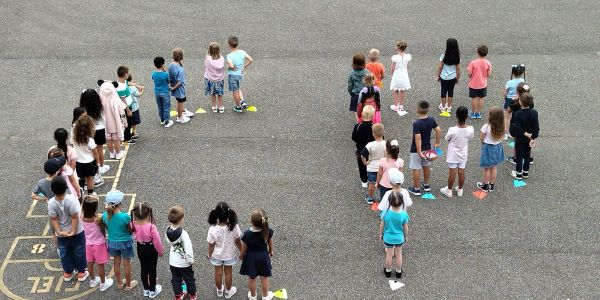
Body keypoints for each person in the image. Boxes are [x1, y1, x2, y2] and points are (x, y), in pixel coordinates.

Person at [48, 176, 89, 282]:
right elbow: (75, 216)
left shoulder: (51, 202)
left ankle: (68, 272)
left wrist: (59, 231)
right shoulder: (72, 199)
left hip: (61, 233)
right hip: (77, 232)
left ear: (52, 190)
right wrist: (73, 231)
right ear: (66, 187)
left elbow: (53, 218)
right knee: (79, 250)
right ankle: (81, 272)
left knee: (64, 252)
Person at [102, 190, 138, 290]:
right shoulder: (125, 217)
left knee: (116, 263)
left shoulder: (105, 216)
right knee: (126, 264)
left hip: (113, 242)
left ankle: (119, 283)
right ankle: (129, 285)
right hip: (125, 242)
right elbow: (130, 231)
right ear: (120, 204)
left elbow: (106, 227)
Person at [207, 202, 242, 298]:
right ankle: (228, 292)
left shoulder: (213, 228)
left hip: (216, 255)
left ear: (216, 214)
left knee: (218, 273)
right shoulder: (233, 226)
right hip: (229, 255)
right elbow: (238, 241)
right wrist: (242, 251)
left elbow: (211, 244)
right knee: (228, 273)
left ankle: (219, 290)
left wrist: (209, 254)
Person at [408, 101, 442, 196]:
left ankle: (416, 188)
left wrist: (419, 151)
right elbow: (438, 130)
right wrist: (437, 142)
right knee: (426, 166)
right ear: (428, 109)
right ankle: (426, 185)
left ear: (417, 110)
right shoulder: (431, 119)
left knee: (416, 168)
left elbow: (417, 138)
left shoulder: (417, 123)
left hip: (416, 150)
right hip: (427, 148)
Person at [239, 209, 274, 300]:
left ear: (251, 221)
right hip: (263, 256)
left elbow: (244, 247)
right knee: (264, 277)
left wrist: (241, 255)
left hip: (251, 258)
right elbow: (270, 243)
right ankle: (265, 296)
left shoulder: (247, 234)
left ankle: (253, 295)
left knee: (252, 277)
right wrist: (271, 251)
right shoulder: (267, 231)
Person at [131, 202, 164, 298]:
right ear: (149, 214)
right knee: (152, 269)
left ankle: (146, 289)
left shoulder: (133, 224)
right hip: (151, 248)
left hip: (140, 248)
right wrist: (160, 251)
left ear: (135, 215)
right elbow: (157, 240)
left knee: (143, 268)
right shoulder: (151, 227)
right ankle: (152, 290)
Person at [81, 195, 114, 291]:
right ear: (94, 208)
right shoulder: (98, 218)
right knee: (100, 265)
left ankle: (93, 280)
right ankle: (103, 284)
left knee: (90, 264)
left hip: (88, 244)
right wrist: (107, 208)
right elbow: (109, 217)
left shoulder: (81, 216)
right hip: (99, 244)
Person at [440, 106, 474, 197]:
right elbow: (471, 137)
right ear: (467, 116)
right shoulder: (470, 129)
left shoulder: (452, 129)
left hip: (453, 153)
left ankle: (449, 190)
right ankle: (460, 189)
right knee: (461, 171)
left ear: (456, 116)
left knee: (452, 172)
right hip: (463, 152)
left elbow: (447, 138)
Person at [166, 205, 197, 300]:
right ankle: (192, 295)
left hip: (173, 261)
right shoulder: (183, 234)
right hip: (184, 262)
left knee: (176, 279)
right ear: (181, 220)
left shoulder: (167, 230)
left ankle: (178, 295)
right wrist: (191, 260)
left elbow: (170, 242)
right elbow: (188, 248)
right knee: (189, 279)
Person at [379, 192, 409, 279]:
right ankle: (398, 271)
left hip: (388, 238)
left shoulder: (386, 213)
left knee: (389, 254)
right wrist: (405, 236)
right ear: (402, 202)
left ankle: (388, 271)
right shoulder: (404, 214)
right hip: (399, 238)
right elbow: (406, 227)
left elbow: (382, 225)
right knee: (399, 254)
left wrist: (381, 234)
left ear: (389, 202)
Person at [79, 89, 109, 176]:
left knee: (91, 150)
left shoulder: (83, 109)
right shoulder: (99, 106)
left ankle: (94, 167)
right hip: (100, 129)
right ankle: (101, 166)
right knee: (99, 149)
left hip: (88, 130)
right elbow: (104, 119)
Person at [509, 93, 539, 180]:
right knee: (527, 155)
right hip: (529, 140)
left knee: (519, 156)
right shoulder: (534, 113)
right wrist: (532, 136)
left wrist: (526, 134)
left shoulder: (518, 114)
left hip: (520, 138)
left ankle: (518, 173)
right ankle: (525, 172)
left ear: (520, 102)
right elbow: (536, 127)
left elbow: (518, 128)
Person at [477, 107, 505, 192]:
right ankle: (491, 185)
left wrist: (483, 143)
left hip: (488, 147)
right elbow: (502, 137)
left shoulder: (486, 126)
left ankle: (485, 186)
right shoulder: (502, 126)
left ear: (491, 117)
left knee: (487, 168)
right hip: (498, 147)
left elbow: (481, 137)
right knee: (494, 167)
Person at [98, 80, 127, 160]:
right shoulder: (115, 99)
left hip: (104, 124)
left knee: (108, 138)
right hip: (115, 123)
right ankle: (118, 153)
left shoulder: (99, 100)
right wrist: (124, 122)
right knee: (116, 138)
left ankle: (111, 153)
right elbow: (122, 112)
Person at [506, 83, 534, 164]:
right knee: (527, 141)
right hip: (528, 124)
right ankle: (528, 158)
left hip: (517, 125)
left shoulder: (515, 101)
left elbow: (508, 110)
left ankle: (516, 158)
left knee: (517, 142)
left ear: (518, 92)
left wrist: (513, 100)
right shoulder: (529, 101)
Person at [73, 115, 100, 194]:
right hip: (89, 162)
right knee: (89, 178)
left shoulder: (75, 139)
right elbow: (95, 152)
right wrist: (97, 162)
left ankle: (80, 190)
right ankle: (90, 193)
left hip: (78, 161)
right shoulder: (89, 140)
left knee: (81, 177)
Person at [360, 123, 386, 204]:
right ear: (383, 132)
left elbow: (362, 155)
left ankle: (370, 197)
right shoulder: (387, 144)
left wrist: (365, 162)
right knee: (383, 184)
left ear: (373, 134)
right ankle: (382, 199)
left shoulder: (370, 145)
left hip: (372, 167)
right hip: (383, 167)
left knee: (371, 183)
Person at [227, 36, 254, 113]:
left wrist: (230, 66)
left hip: (233, 76)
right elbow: (251, 60)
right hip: (240, 74)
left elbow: (231, 66)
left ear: (229, 45)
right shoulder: (242, 52)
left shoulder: (229, 55)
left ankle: (238, 106)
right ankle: (242, 101)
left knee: (235, 91)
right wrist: (244, 67)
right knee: (238, 88)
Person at [351, 106, 376, 188]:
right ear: (373, 116)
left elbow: (354, 137)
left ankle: (364, 181)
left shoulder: (358, 126)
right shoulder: (374, 126)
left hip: (361, 150)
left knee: (361, 166)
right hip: (373, 150)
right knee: (372, 165)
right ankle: (372, 179)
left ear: (362, 115)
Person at [169, 48, 194, 123]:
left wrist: (172, 86)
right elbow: (180, 82)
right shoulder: (180, 69)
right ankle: (180, 117)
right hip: (179, 89)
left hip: (173, 85)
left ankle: (183, 111)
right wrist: (174, 88)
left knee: (178, 100)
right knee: (180, 102)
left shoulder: (171, 65)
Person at [467, 45, 492, 119]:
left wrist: (471, 75)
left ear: (477, 52)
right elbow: (489, 74)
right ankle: (478, 113)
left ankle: (473, 113)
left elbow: (469, 73)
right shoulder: (488, 63)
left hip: (473, 84)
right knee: (481, 98)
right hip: (483, 84)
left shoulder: (473, 62)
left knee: (474, 98)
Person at [437, 38, 461, 113]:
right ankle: (449, 106)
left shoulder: (443, 55)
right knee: (451, 91)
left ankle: (443, 106)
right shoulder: (457, 57)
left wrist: (438, 75)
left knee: (443, 91)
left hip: (444, 77)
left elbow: (440, 67)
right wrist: (458, 77)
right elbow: (458, 69)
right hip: (452, 77)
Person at [390, 40, 411, 116]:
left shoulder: (395, 58)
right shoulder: (408, 57)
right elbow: (408, 66)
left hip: (397, 75)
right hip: (404, 75)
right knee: (402, 91)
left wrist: (392, 75)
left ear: (398, 48)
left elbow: (392, 68)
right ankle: (401, 106)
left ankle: (396, 106)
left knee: (395, 90)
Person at [503, 65, 526, 138]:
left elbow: (505, 93)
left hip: (510, 99)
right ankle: (515, 133)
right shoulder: (523, 81)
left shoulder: (509, 82)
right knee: (517, 116)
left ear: (513, 73)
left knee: (507, 117)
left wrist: (505, 99)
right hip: (519, 99)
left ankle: (506, 133)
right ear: (522, 73)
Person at [116, 66, 137, 142]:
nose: (128, 75)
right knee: (127, 122)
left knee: (128, 121)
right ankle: (127, 138)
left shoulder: (122, 82)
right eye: (127, 73)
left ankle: (127, 135)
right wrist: (128, 110)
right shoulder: (121, 87)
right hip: (125, 107)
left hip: (127, 106)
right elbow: (123, 100)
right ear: (125, 75)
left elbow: (127, 82)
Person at [152, 56, 174, 128]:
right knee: (166, 107)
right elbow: (168, 81)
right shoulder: (165, 74)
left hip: (157, 92)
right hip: (165, 92)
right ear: (162, 65)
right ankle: (167, 121)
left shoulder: (154, 74)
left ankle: (162, 120)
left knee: (160, 106)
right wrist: (165, 71)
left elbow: (153, 78)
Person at [205, 42, 227, 113]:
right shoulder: (222, 58)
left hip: (210, 79)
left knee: (213, 93)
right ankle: (220, 107)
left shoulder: (208, 59)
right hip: (219, 80)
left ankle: (214, 106)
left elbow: (206, 65)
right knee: (220, 94)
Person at [127, 74, 143, 142]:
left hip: (127, 108)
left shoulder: (123, 87)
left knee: (128, 121)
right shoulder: (133, 88)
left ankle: (129, 132)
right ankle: (134, 132)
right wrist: (142, 90)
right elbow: (138, 94)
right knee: (134, 122)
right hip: (134, 107)